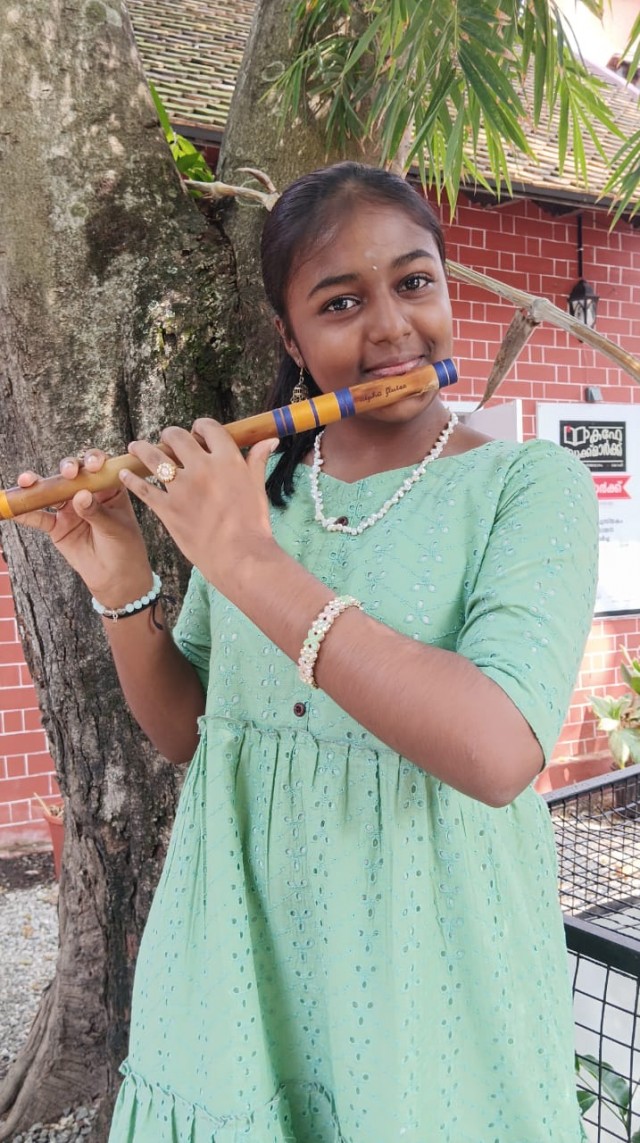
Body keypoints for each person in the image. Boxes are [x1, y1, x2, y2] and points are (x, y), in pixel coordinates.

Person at [16, 162, 598, 1142]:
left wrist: (244, 558)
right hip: (241, 960)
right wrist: (119, 576)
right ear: (289, 338)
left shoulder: (530, 487)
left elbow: (497, 749)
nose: (391, 327)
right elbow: (193, 729)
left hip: (431, 968)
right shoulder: (262, 489)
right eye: (340, 302)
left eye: (414, 282)